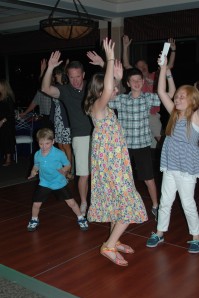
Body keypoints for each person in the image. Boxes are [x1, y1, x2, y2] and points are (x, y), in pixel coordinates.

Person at [84, 38, 148, 267]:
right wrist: (109, 59)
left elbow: (110, 86)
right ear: (102, 91)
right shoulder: (97, 108)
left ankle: (115, 238)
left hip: (117, 163)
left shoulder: (107, 107)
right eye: (112, 87)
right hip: (111, 165)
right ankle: (109, 245)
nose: (116, 89)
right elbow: (109, 87)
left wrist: (111, 71)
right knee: (129, 203)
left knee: (116, 202)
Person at [146, 55, 199, 254]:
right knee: (165, 201)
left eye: (181, 97)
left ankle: (196, 237)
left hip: (186, 168)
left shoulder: (195, 117)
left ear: (192, 100)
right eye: (176, 96)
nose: (177, 99)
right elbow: (161, 91)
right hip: (170, 166)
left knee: (188, 203)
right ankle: (159, 233)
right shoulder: (174, 114)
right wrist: (164, 69)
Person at [42, 53, 93, 217]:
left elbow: (110, 84)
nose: (76, 80)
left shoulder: (91, 86)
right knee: (83, 174)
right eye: (72, 77)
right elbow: (45, 89)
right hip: (79, 136)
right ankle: (84, 202)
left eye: (78, 76)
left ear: (83, 75)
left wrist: (103, 64)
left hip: (99, 135)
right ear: (68, 77)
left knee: (100, 173)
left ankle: (99, 202)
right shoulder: (65, 91)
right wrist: (49, 68)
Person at [108, 67, 161, 220]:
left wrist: (165, 71)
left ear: (143, 82)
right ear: (128, 83)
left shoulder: (148, 97)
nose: (137, 83)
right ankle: (122, 206)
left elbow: (167, 96)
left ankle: (156, 206)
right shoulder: (122, 99)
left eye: (139, 80)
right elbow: (106, 96)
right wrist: (115, 78)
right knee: (123, 178)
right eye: (133, 80)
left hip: (143, 145)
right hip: (124, 147)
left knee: (148, 178)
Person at [27, 128, 88, 232]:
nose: (44, 146)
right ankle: (34, 220)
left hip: (59, 182)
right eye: (41, 144)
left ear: (53, 141)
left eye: (47, 143)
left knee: (71, 203)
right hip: (44, 183)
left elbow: (68, 165)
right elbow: (36, 165)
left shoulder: (58, 153)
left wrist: (64, 170)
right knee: (36, 203)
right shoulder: (37, 154)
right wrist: (33, 171)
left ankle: (81, 218)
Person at [122, 35, 176, 147]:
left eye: (144, 64)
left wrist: (173, 50)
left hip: (152, 114)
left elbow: (169, 66)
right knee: (153, 143)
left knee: (157, 142)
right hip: (141, 115)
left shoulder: (155, 75)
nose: (143, 67)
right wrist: (125, 46)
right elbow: (126, 64)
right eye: (140, 66)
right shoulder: (137, 79)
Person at [51, 63, 73, 179]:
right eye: (55, 74)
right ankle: (64, 169)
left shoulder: (66, 87)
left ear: (61, 74)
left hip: (65, 121)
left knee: (66, 146)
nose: (55, 76)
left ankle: (69, 171)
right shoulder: (56, 87)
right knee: (60, 145)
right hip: (58, 121)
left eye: (57, 74)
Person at [19, 59, 53, 130]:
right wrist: (25, 113)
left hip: (54, 117)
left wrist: (43, 71)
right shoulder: (40, 91)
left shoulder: (55, 88)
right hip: (44, 117)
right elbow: (34, 102)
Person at [0, 79, 16, 166]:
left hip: (7, 123)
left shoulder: (8, 98)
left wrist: (2, 121)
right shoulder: (1, 97)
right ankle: (5, 157)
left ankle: (8, 159)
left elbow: (10, 113)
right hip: (2, 122)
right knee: (3, 139)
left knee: (7, 140)